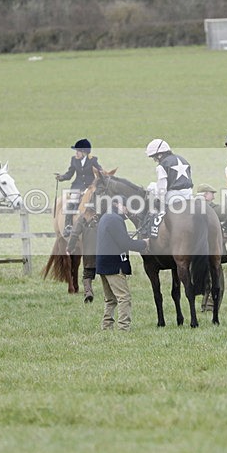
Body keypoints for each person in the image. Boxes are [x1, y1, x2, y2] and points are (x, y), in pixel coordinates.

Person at [95, 199, 148, 331]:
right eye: (125, 207)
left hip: (103, 264)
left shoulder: (106, 217)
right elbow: (125, 243)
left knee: (110, 299)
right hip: (113, 264)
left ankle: (106, 326)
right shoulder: (115, 219)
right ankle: (124, 328)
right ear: (117, 205)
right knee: (124, 297)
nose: (127, 210)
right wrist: (144, 243)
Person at [55, 138, 102, 237]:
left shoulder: (93, 160)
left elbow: (99, 171)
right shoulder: (74, 160)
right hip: (77, 186)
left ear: (84, 152)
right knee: (71, 203)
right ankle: (68, 226)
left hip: (89, 186)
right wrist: (61, 177)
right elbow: (69, 174)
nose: (76, 153)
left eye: (78, 151)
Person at [195, 183, 226, 312]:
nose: (213, 197)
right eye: (212, 194)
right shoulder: (211, 208)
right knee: (218, 281)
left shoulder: (189, 207)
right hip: (210, 250)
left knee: (206, 280)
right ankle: (210, 307)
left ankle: (205, 306)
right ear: (206, 195)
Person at [66, 202, 100, 304]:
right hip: (103, 251)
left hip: (89, 251)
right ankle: (110, 293)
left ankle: (88, 291)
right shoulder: (101, 217)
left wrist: (69, 248)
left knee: (87, 274)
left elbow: (74, 234)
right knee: (106, 273)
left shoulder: (82, 219)